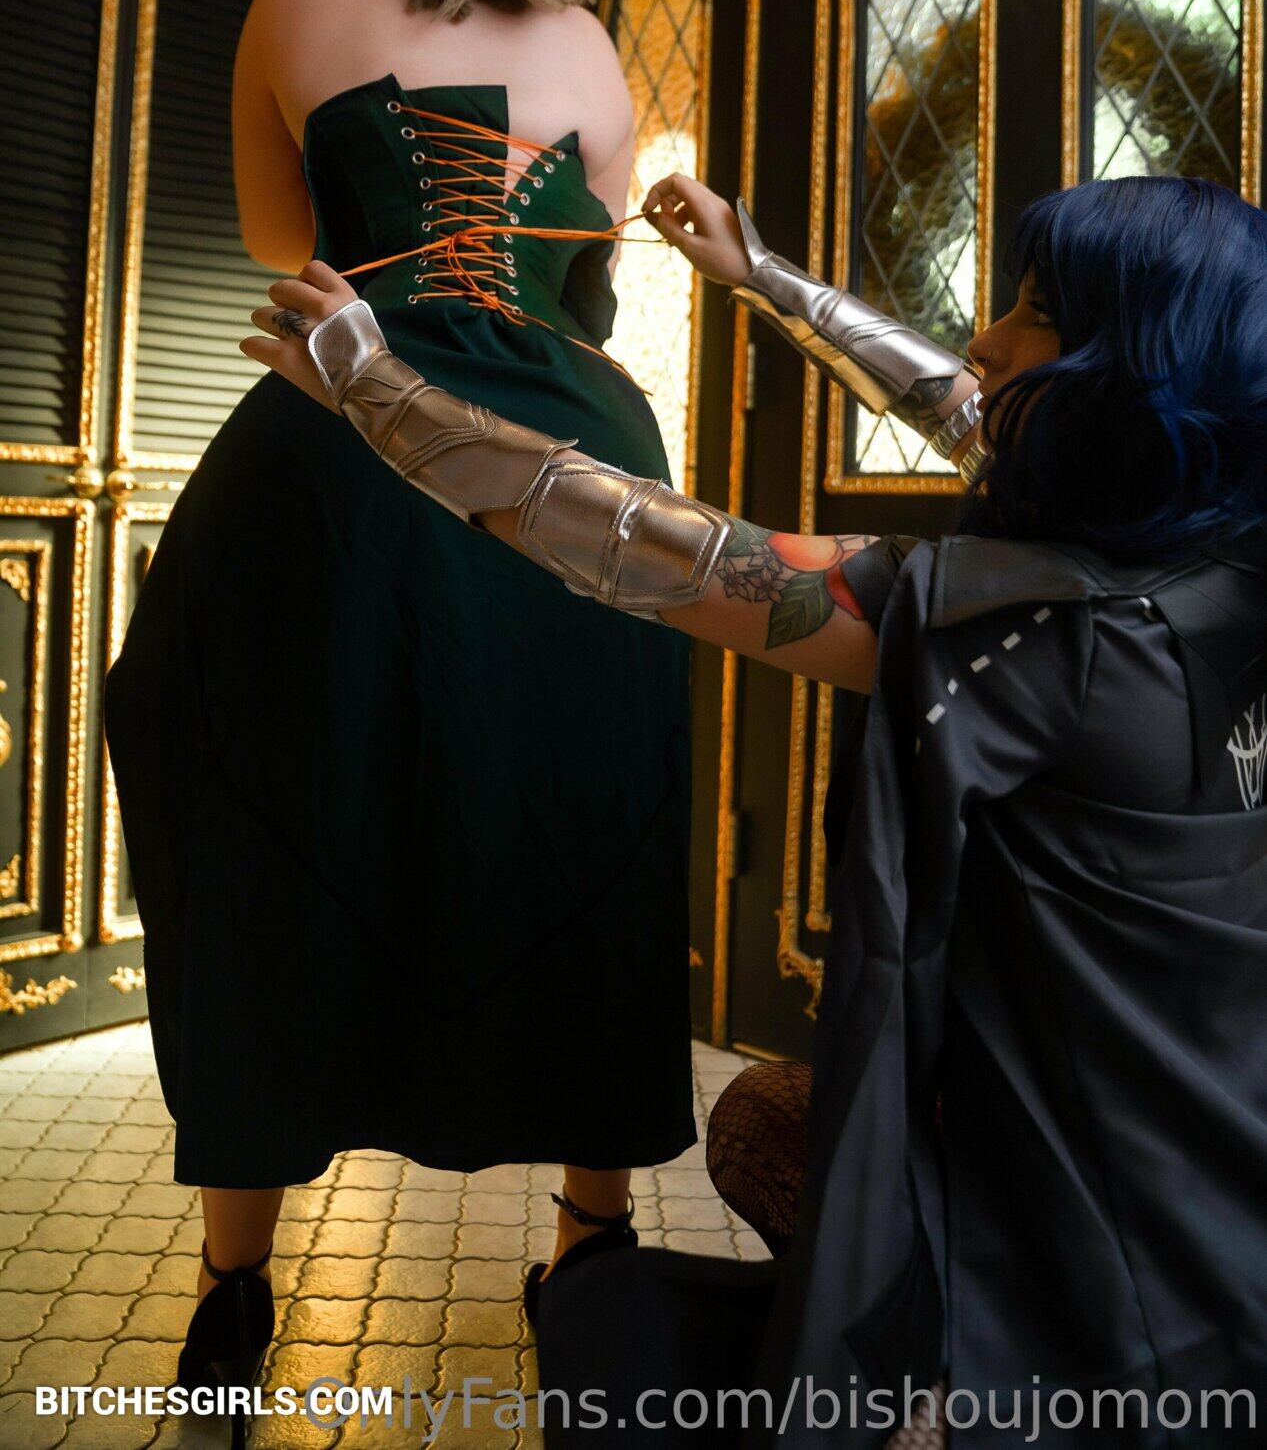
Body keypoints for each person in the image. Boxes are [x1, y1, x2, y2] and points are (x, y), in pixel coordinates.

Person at [247, 169, 1267, 1446]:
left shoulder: (1055, 637)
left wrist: (371, 383)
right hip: (1219, 1149)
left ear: (1124, 376)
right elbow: (967, 408)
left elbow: (661, 548)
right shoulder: (1217, 558)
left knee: (635, 1336)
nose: (984, 340)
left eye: (1036, 316)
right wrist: (760, 273)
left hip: (1111, 1250)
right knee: (766, 1120)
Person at [101, 0, 697, 1429]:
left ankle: (231, 1288)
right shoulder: (589, 48)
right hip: (572, 470)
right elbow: (576, 308)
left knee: (264, 815)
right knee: (593, 820)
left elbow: (280, 249)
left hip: (340, 443)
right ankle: (588, 1254)